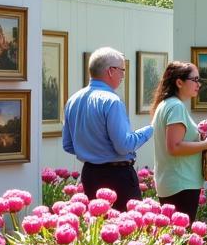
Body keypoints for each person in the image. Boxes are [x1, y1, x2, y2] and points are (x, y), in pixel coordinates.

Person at [62, 47, 154, 208]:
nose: (123, 76)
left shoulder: (73, 100)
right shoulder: (112, 101)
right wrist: (150, 130)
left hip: (90, 175)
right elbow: (124, 146)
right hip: (118, 177)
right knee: (126, 229)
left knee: (98, 229)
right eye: (122, 70)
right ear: (111, 71)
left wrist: (93, 152)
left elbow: (68, 145)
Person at [151, 61, 207, 223]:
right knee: (181, 238)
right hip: (181, 183)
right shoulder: (176, 107)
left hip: (172, 181)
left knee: (173, 237)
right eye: (195, 79)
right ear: (179, 82)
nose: (198, 84)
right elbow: (174, 147)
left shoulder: (165, 105)